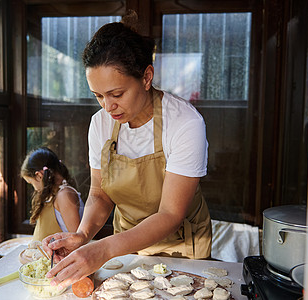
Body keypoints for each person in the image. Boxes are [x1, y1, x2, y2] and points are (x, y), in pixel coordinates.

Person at [42, 14, 212, 289]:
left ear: (146, 77)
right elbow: (100, 194)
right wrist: (83, 235)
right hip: (126, 247)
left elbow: (170, 213)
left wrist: (104, 249)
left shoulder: (184, 123)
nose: (107, 107)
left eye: (116, 94)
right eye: (98, 96)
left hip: (182, 249)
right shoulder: (100, 123)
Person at [21, 147, 84, 241]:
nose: (34, 188)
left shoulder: (64, 195)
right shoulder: (53, 194)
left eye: (31, 183)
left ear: (39, 175)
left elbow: (77, 240)